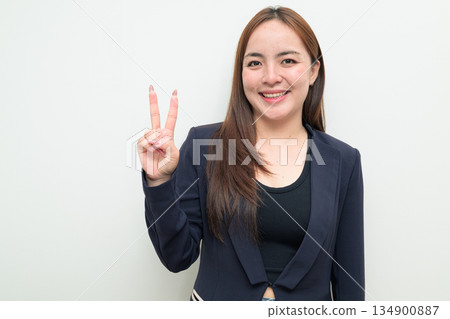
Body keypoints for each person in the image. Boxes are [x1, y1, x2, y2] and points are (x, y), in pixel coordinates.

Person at [137, 6, 364, 301]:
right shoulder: (205, 146)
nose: (271, 76)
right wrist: (159, 183)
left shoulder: (343, 161)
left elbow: (350, 283)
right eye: (255, 63)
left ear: (313, 71)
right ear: (241, 73)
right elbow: (177, 256)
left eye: (288, 60)